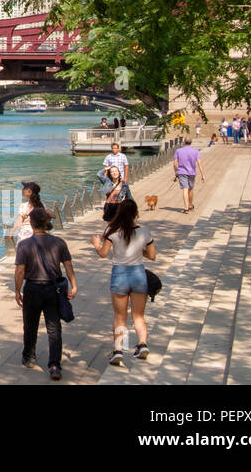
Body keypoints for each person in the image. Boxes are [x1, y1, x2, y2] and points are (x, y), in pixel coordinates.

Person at [91, 199, 156, 364]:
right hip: (138, 274)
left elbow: (103, 254)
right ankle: (142, 345)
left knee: (120, 316)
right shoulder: (144, 232)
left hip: (119, 274)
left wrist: (97, 244)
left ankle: (118, 350)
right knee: (138, 316)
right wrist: (137, 251)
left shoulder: (113, 233)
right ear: (135, 214)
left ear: (119, 213)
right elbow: (152, 255)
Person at [14, 207, 77, 380]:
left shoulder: (24, 244)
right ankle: (55, 365)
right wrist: (74, 285)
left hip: (32, 288)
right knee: (54, 327)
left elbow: (20, 270)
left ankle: (29, 357)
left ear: (32, 223)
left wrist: (17, 290)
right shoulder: (58, 242)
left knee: (30, 324)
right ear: (46, 223)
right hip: (53, 289)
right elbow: (68, 265)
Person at [172, 137, 205, 213]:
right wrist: (203, 175)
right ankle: (190, 205)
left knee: (185, 189)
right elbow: (199, 163)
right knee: (190, 189)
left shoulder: (178, 151)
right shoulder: (195, 151)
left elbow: (175, 163)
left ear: (184, 142)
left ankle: (186, 207)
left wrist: (176, 172)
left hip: (182, 172)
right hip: (192, 172)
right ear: (191, 142)